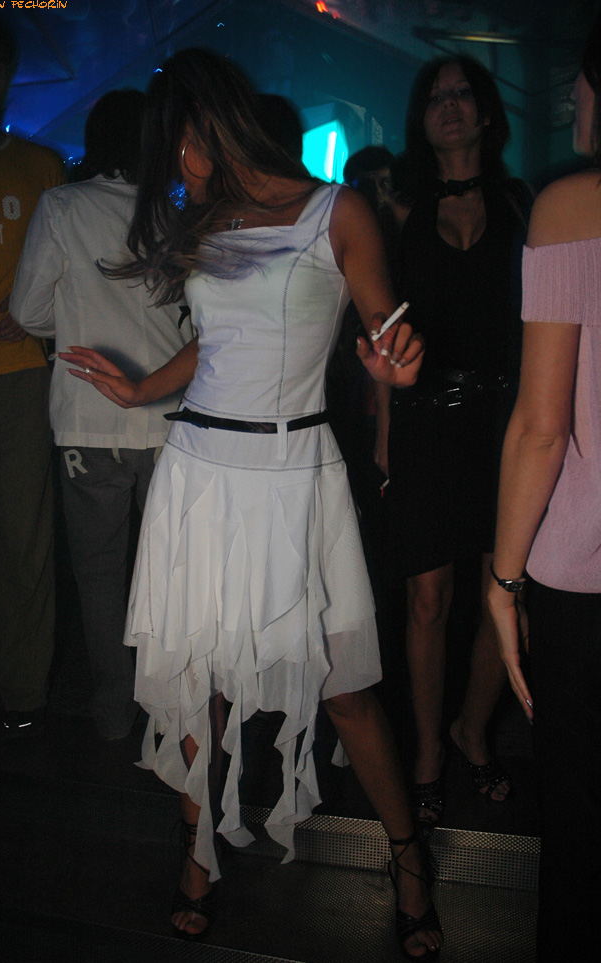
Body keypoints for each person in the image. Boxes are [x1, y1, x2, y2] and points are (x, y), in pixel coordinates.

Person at [59, 48, 442, 961]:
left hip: (293, 472)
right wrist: (141, 386)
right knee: (205, 685)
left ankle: (408, 857)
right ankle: (198, 854)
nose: (176, 168)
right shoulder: (207, 220)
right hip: (200, 471)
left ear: (209, 126)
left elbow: (388, 333)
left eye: (178, 147)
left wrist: (396, 367)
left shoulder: (334, 211)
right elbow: (216, 339)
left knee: (346, 691)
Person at [9, 90, 194, 741]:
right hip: (171, 418)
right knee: (172, 570)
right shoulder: (177, 216)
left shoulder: (63, 206)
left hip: (89, 418)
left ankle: (115, 711)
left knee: (98, 573)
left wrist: (77, 319)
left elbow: (28, 310)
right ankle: (177, 709)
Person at [385, 55, 532, 832]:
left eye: (462, 92)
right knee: (428, 598)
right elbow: (377, 335)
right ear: (420, 116)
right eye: (435, 95)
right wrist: (382, 441)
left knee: (502, 589)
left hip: (504, 422)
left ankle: (473, 729)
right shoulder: (398, 207)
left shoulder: (520, 202)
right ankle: (426, 753)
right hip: (424, 423)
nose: (449, 104)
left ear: (486, 110)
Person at [488, 14, 601, 962]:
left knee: (582, 827)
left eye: (582, 78)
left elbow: (541, 425)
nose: (570, 95)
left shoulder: (573, 206)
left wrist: (502, 576)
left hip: (586, 580)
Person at [0, 12, 64, 735]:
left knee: (24, 537)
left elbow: (75, 273)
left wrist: (39, 316)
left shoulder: (43, 169)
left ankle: (24, 690)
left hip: (17, 374)